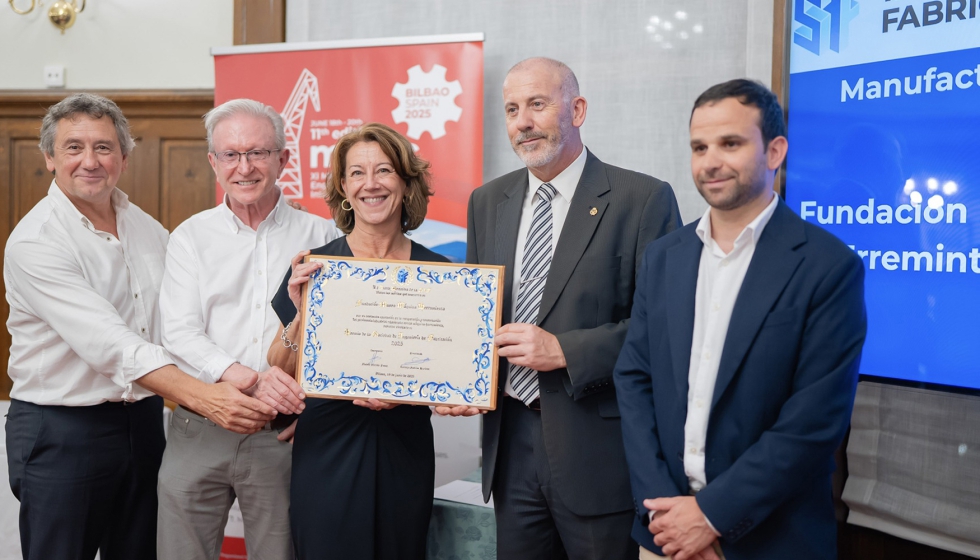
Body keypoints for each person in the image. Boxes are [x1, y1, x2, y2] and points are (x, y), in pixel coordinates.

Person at [4, 93, 276, 560]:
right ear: (49, 157)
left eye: (104, 148)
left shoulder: (148, 228)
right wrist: (206, 396)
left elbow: (182, 322)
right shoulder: (36, 241)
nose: (90, 161)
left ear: (124, 158)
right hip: (63, 429)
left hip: (145, 422)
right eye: (73, 147)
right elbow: (111, 344)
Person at [614, 79, 867, 560]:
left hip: (768, 539)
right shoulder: (663, 257)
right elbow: (634, 378)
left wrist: (710, 516)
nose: (710, 161)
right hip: (664, 533)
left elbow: (813, 423)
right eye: (699, 147)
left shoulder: (828, 266)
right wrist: (665, 514)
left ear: (775, 151)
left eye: (730, 144)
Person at [439, 57, 681, 560]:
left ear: (578, 109)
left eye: (537, 104)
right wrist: (460, 376)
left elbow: (668, 329)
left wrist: (565, 350)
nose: (522, 121)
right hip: (510, 448)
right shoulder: (488, 202)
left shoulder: (643, 199)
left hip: (598, 452)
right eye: (511, 109)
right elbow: (479, 318)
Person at [155, 98, 340, 560]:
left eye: (258, 153)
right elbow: (177, 332)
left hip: (283, 436)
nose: (245, 167)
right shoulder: (189, 237)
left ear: (283, 159)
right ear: (213, 162)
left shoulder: (323, 236)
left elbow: (338, 337)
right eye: (231, 155)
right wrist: (250, 379)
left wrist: (314, 410)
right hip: (199, 426)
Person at [267, 122, 444, 560]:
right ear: (344, 187)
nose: (371, 184)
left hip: (405, 446)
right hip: (329, 446)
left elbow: (451, 367)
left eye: (384, 170)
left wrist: (407, 390)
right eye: (357, 173)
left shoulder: (441, 273)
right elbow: (279, 367)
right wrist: (304, 314)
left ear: (405, 182)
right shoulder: (315, 267)